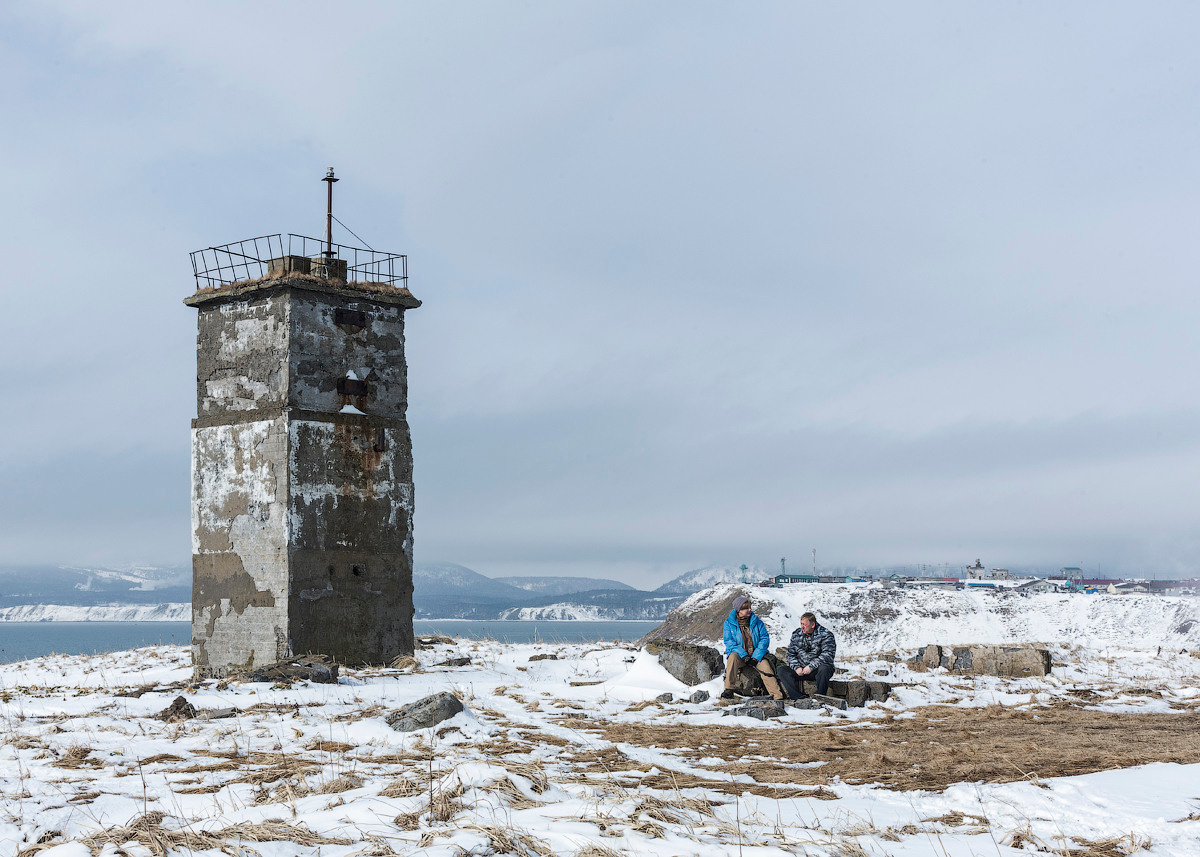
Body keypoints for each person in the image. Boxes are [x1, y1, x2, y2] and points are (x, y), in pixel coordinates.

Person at [721, 595, 785, 701]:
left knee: (766, 668)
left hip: (756, 655)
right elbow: (729, 642)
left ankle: (777, 697)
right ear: (739, 610)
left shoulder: (757, 621)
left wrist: (756, 657)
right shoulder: (729, 623)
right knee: (732, 657)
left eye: (749, 607)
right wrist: (744, 655)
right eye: (746, 608)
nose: (749, 610)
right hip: (740, 656)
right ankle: (729, 689)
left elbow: (764, 639)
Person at [786, 611, 836, 696]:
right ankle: (797, 697)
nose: (802, 627)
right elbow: (791, 654)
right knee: (782, 670)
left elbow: (828, 654)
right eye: (801, 624)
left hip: (817, 670)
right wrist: (796, 667)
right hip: (801, 670)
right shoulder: (796, 634)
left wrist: (811, 666)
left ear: (812, 625)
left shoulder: (826, 634)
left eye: (804, 625)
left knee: (825, 668)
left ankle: (821, 697)